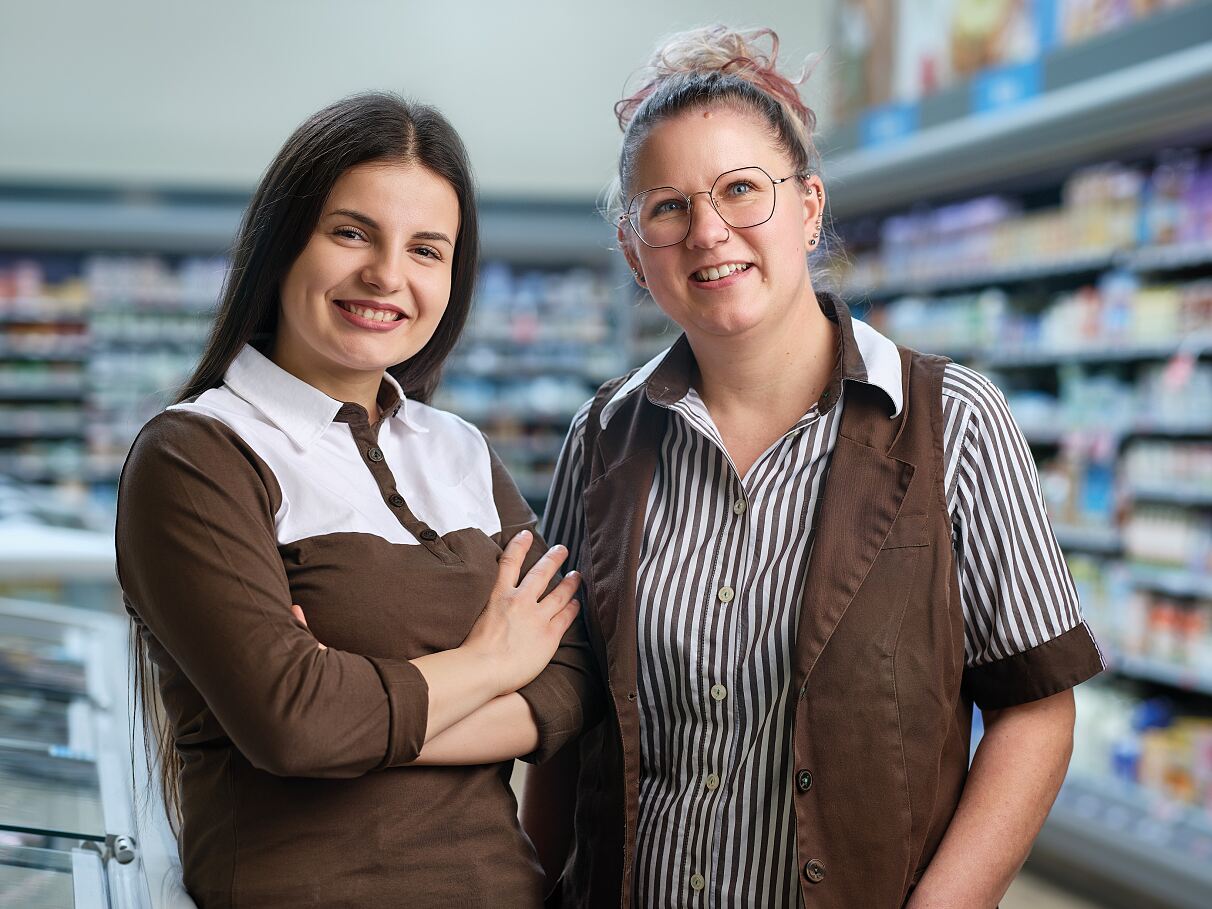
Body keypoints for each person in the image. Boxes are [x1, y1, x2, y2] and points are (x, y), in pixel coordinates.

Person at [523, 26, 1104, 909]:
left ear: (808, 205)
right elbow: (569, 716)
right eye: (667, 207)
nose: (709, 231)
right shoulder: (600, 439)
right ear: (637, 252)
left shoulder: (953, 422)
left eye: (742, 190)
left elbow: (1034, 706)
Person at [117, 92, 601, 909]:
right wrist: (489, 663)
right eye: (351, 232)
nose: (387, 275)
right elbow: (296, 722)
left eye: (426, 249)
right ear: (282, 241)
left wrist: (355, 714)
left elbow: (574, 676)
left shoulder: (460, 452)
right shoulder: (195, 454)